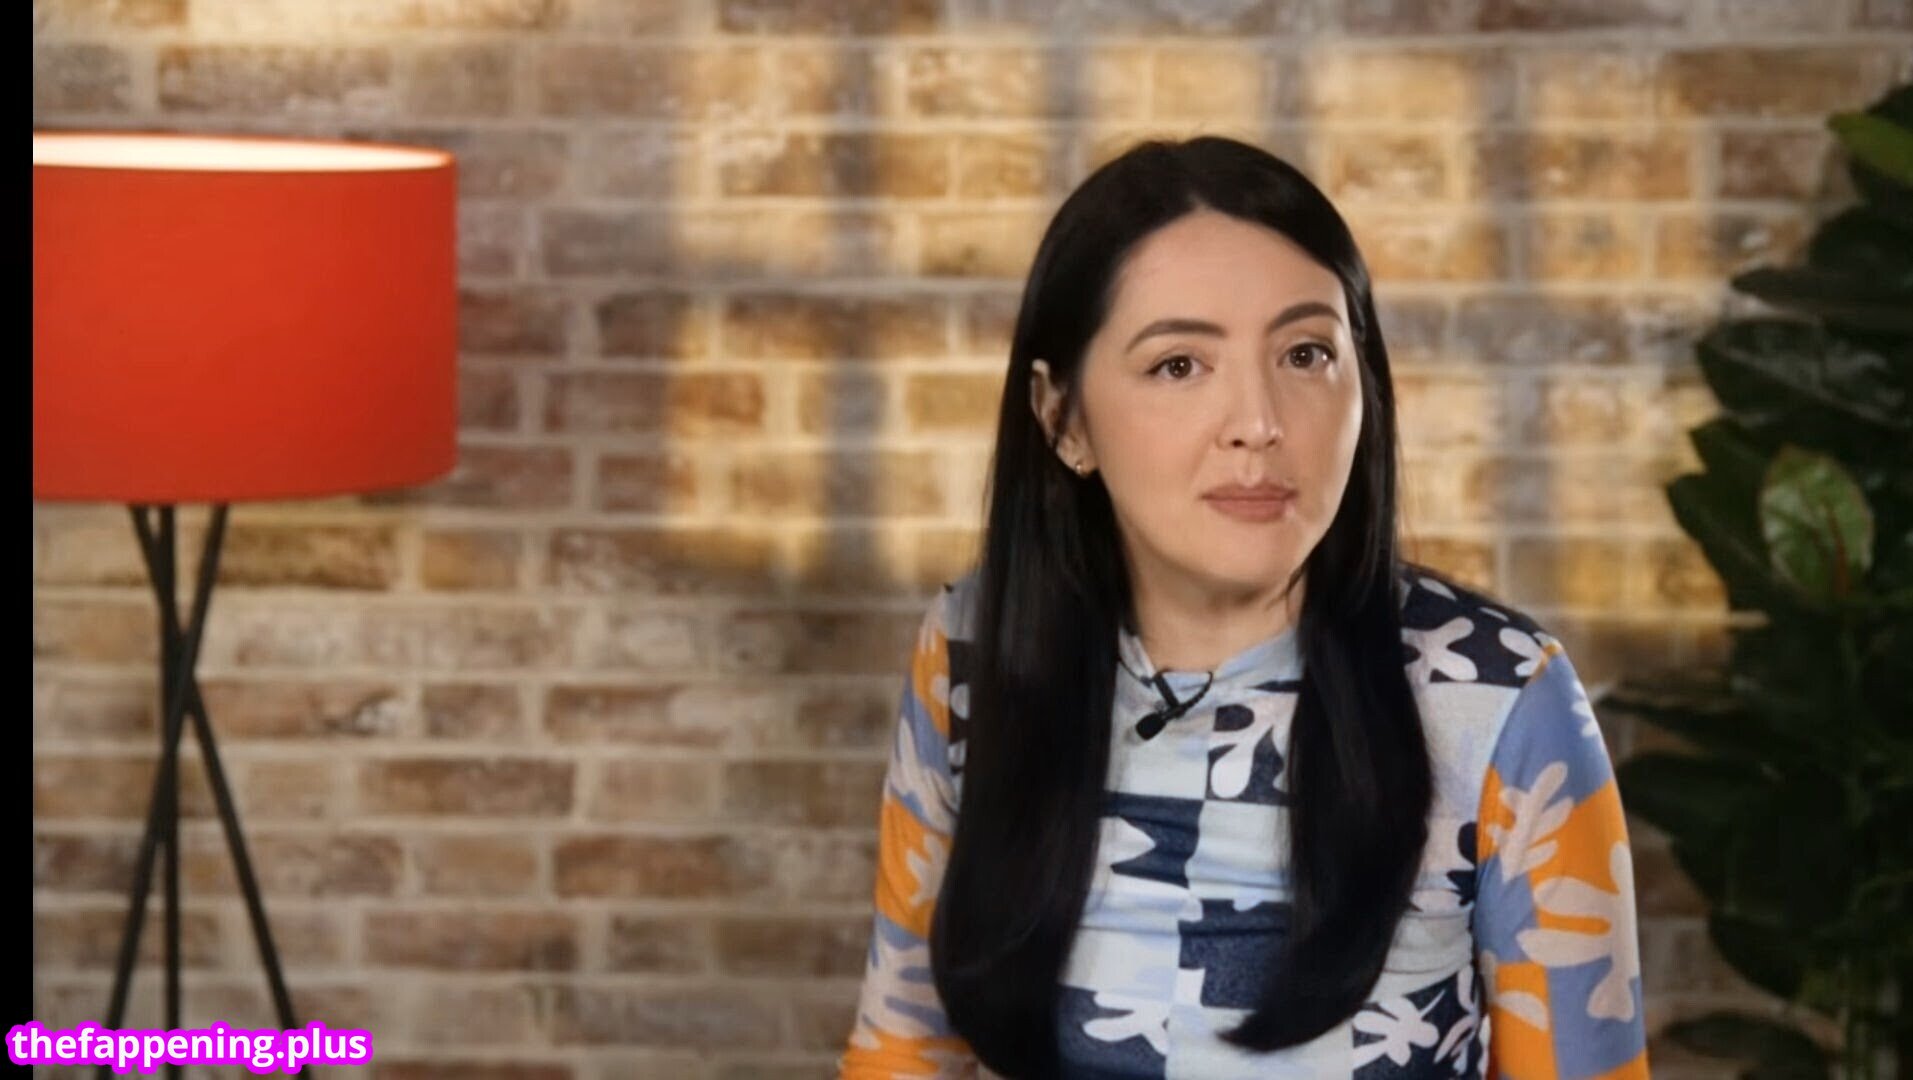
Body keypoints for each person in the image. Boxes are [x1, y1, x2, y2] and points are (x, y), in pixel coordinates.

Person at [838, 135, 1648, 1079]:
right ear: (1062, 418)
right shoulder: (977, 649)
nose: (1258, 423)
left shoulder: (1498, 698)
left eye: (1305, 353)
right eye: (1179, 365)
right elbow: (903, 1050)